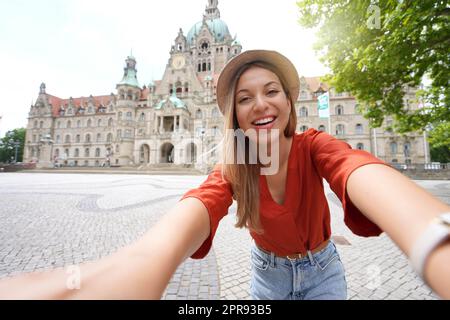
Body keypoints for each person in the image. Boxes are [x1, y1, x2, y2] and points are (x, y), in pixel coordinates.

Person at [0, 50, 449, 300]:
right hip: (265, 277)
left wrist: (434, 237)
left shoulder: (315, 145)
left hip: (324, 272)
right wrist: (143, 260)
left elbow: (360, 170)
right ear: (232, 112)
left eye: (272, 91)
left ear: (291, 102)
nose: (261, 105)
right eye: (245, 97)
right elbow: (204, 200)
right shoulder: (234, 161)